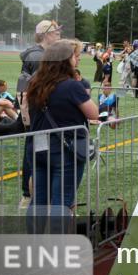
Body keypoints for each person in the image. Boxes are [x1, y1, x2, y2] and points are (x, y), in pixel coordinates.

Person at [25, 40, 99, 231]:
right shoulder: (71, 86)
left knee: (39, 201)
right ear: (66, 60)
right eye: (75, 56)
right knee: (61, 202)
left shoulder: (34, 83)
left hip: (38, 147)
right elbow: (94, 113)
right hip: (65, 149)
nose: (77, 58)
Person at [17, 20, 63, 208]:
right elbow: (35, 88)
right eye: (56, 32)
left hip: (35, 112)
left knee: (36, 149)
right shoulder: (38, 57)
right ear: (45, 34)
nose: (59, 35)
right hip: (38, 113)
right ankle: (30, 195)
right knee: (36, 150)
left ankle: (31, 194)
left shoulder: (37, 54)